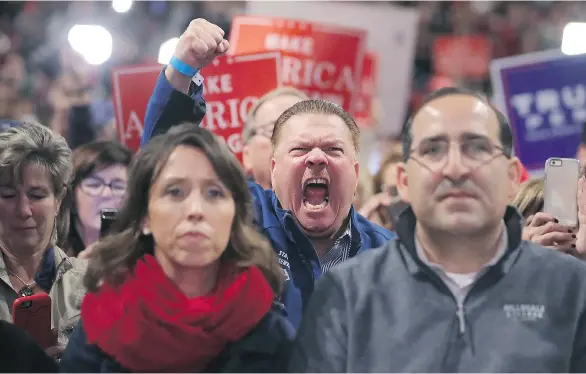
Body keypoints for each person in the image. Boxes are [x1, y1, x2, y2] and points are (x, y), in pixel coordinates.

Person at [289, 87, 586, 372]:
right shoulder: (348, 293)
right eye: (433, 150)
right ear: (404, 181)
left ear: (511, 177)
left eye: (478, 148)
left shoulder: (573, 289)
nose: (455, 168)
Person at [139, 18, 396, 330]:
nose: (316, 158)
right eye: (300, 149)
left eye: (333, 149)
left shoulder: (391, 258)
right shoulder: (238, 219)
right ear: (274, 169)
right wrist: (181, 68)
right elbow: (162, 168)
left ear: (356, 174)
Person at [59, 125, 293, 372]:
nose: (195, 210)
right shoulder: (104, 318)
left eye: (214, 193)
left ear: (235, 215)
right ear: (144, 217)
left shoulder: (266, 325)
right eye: (175, 192)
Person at [0, 122, 87, 347]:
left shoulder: (92, 283)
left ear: (58, 200)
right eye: (8, 195)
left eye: (37, 195)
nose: (23, 210)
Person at [64, 141, 131, 257]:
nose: (106, 194)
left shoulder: (146, 258)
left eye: (118, 186)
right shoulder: (50, 259)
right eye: (94, 185)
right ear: (72, 195)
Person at [242, 87, 309, 188]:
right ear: (247, 155)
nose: (291, 139)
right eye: (273, 129)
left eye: (302, 129)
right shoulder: (229, 203)